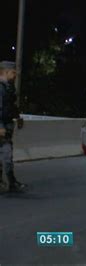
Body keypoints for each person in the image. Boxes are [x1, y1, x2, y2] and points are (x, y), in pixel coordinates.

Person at [0, 61, 26, 193]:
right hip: (2, 126)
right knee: (7, 154)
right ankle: (11, 182)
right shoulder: (1, 88)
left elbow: (11, 106)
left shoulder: (8, 87)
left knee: (5, 154)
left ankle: (8, 182)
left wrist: (18, 117)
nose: (15, 75)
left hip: (7, 125)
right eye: (13, 72)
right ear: (5, 72)